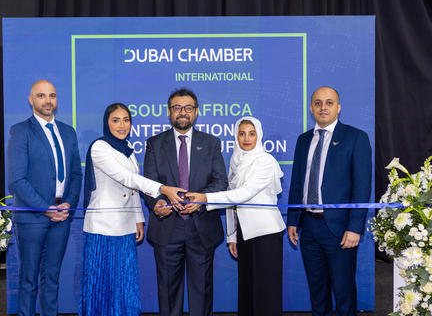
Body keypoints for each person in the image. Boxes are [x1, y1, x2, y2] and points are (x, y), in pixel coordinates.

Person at [79, 103, 185, 316]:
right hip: (104, 228)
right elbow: (126, 178)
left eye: (126, 120)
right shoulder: (99, 147)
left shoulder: (127, 148)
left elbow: (132, 189)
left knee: (124, 282)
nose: (122, 125)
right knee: (102, 284)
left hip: (126, 226)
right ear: (106, 123)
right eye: (115, 120)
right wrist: (162, 188)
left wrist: (138, 219)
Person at [187, 116, 286, 316]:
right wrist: (232, 236)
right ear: (236, 136)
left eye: (251, 133)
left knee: (266, 294)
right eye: (242, 134)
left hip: (265, 234)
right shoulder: (236, 161)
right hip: (244, 233)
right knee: (247, 290)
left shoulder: (265, 161)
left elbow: (244, 193)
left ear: (259, 136)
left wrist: (205, 198)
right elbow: (233, 204)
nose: (246, 138)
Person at [287, 86, 372, 316]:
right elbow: (297, 183)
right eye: (317, 103)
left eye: (329, 102)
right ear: (311, 108)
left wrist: (354, 228)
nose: (323, 107)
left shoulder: (356, 137)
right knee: (317, 291)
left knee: (343, 291)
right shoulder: (303, 140)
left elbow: (362, 188)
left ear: (338, 107)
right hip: (309, 226)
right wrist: (293, 220)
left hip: (339, 229)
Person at [143, 87, 228, 316]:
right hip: (166, 225)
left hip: (202, 226)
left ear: (196, 111)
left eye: (188, 107)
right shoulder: (154, 143)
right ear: (169, 112)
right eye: (177, 108)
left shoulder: (211, 143)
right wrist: (159, 204)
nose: (183, 112)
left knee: (201, 292)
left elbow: (221, 182)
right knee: (168, 293)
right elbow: (150, 184)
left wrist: (200, 200)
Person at [7, 80, 82, 316]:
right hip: (32, 218)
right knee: (28, 281)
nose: (47, 100)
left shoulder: (68, 132)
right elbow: (17, 180)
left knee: (52, 279)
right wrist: (45, 207)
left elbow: (76, 174)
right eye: (41, 96)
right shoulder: (20, 131)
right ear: (31, 100)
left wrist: (68, 204)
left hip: (62, 216)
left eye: (52, 95)